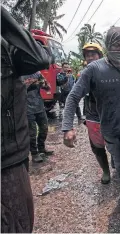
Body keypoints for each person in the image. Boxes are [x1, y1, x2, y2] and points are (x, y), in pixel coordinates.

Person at [62, 26, 120, 227]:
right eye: (116, 44)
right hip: (110, 129)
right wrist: (67, 126)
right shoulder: (93, 70)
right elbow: (73, 97)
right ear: (107, 45)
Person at [1, 6, 51, 232]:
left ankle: (39, 150)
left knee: (19, 224)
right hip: (11, 154)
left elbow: (40, 58)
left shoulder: (6, 50)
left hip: (9, 158)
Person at [79, 42, 115, 184]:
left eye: (93, 54)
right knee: (97, 146)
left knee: (114, 143)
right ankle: (105, 171)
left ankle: (115, 160)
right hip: (93, 116)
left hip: (110, 116)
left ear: (100, 56)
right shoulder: (83, 75)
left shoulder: (110, 71)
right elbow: (78, 95)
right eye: (87, 55)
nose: (90, 57)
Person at [22, 71, 54, 163]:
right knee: (32, 133)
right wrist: (30, 84)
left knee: (44, 128)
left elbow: (48, 87)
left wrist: (44, 84)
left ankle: (41, 148)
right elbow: (17, 90)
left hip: (39, 106)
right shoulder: (21, 74)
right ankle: (34, 153)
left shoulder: (38, 73)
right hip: (27, 108)